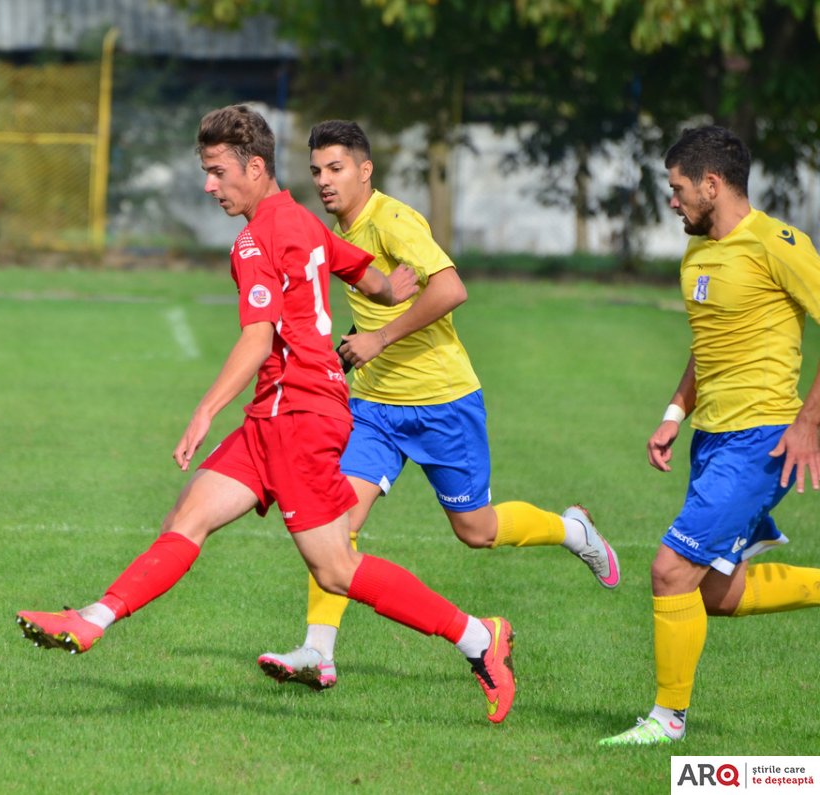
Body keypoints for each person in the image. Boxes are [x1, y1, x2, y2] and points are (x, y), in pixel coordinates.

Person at [17, 104, 518, 723]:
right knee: (190, 516)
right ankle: (92, 619)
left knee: (336, 569)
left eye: (217, 172)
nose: (209, 185)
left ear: (254, 168)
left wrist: (203, 412)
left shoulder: (255, 238)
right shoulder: (304, 221)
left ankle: (477, 639)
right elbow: (365, 272)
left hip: (298, 413)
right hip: (279, 412)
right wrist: (395, 287)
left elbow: (257, 340)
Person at [256, 120, 620, 691]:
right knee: (338, 523)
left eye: (336, 168)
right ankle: (317, 652)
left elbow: (451, 289)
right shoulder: (339, 227)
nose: (324, 181)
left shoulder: (395, 220)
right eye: (317, 171)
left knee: (476, 530)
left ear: (364, 169)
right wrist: (357, 344)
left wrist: (378, 339)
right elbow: (381, 306)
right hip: (375, 408)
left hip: (442, 403)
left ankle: (573, 531)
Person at [600, 125, 820, 746]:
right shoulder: (697, 252)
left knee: (671, 571)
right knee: (717, 593)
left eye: (677, 189)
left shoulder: (779, 244)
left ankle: (667, 721)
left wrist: (808, 423)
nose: (671, 202)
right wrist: (675, 412)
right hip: (713, 440)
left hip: (762, 439)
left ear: (711, 184)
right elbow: (709, 346)